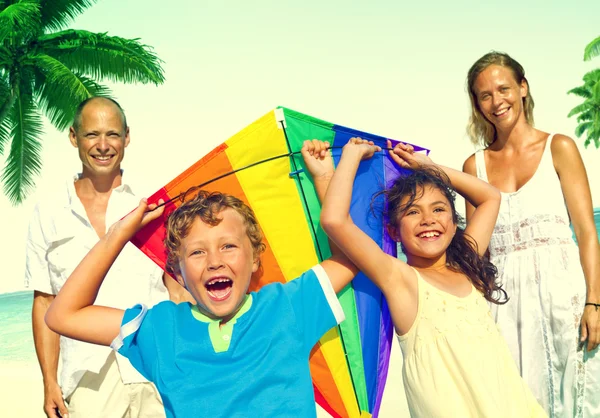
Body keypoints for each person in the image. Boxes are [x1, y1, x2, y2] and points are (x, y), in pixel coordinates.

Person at [44, 139, 363, 418]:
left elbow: (351, 257)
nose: (214, 261)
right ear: (178, 270)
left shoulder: (287, 306)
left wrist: (325, 176)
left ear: (254, 258)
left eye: (228, 246)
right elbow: (63, 315)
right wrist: (118, 234)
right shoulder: (160, 329)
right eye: (197, 252)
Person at [320, 138, 546, 417]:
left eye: (438, 209)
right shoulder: (400, 279)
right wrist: (351, 156)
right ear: (394, 232)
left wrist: (429, 166)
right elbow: (334, 220)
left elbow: (490, 197)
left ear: (453, 224)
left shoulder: (468, 266)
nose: (428, 219)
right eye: (413, 212)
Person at [26, 97, 188, 418]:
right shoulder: (48, 213)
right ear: (74, 137)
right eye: (91, 135)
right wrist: (49, 382)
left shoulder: (152, 204)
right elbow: (45, 301)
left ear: (127, 136)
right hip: (87, 374)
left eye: (112, 134)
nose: (103, 145)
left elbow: (178, 289)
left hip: (155, 366)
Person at [462, 51, 600, 417]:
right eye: (485, 95)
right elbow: (477, 256)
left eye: (503, 88)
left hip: (564, 296)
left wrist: (595, 301)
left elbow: (586, 231)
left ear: (522, 88)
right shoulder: (473, 166)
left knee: (577, 397)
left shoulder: (560, 147)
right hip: (503, 306)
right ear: (477, 104)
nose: (497, 101)